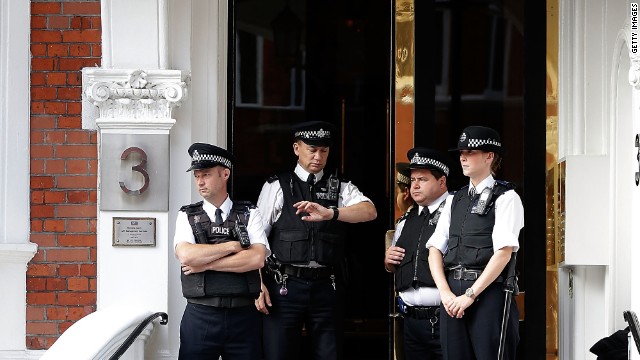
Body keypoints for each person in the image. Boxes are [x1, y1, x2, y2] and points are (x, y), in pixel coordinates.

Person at [255, 120, 377, 360]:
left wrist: (332, 213)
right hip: (284, 285)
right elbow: (258, 241)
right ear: (296, 148)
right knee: (278, 353)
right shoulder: (277, 185)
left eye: (324, 150)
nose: (318, 156)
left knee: (329, 353)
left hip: (326, 286)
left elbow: (369, 211)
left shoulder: (340, 187)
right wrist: (257, 285)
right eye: (312, 149)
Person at [426, 126, 524, 360]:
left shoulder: (506, 197)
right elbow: (434, 249)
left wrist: (469, 295)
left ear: (489, 156)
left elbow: (503, 252)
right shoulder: (454, 199)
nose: (462, 157)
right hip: (452, 294)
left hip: (487, 293)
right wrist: (446, 293)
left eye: (470, 152)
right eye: (461, 152)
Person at [173, 143, 269, 360]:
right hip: (201, 316)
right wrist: (232, 246)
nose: (200, 181)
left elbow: (256, 258)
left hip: (243, 317)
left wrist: (205, 264)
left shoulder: (249, 213)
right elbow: (187, 255)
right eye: (197, 175)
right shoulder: (187, 215)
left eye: (205, 174)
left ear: (225, 173)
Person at [385, 148, 450, 360]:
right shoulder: (405, 221)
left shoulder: (456, 210)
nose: (415, 185)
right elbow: (396, 266)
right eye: (413, 179)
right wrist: (388, 262)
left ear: (441, 182)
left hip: (447, 318)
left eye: (422, 179)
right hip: (411, 321)